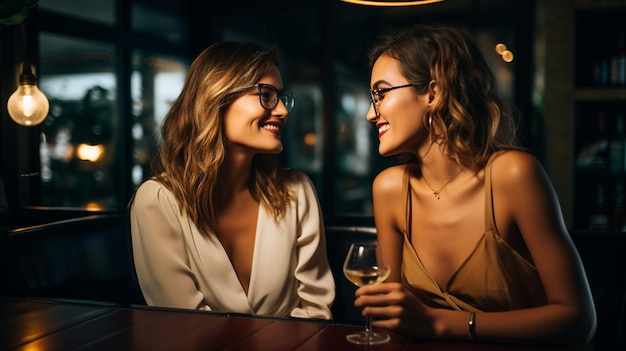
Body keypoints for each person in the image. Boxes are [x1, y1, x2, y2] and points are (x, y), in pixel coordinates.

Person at [354, 24, 597, 346]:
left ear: (433, 92)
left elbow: (578, 319)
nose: (371, 114)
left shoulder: (513, 174)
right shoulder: (389, 189)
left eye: (381, 93)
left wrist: (439, 323)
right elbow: (392, 315)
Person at [129, 42, 335, 320]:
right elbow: (183, 326)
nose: (283, 111)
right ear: (216, 98)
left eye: (282, 97)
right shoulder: (157, 201)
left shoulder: (297, 191)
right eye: (266, 95)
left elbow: (315, 310)